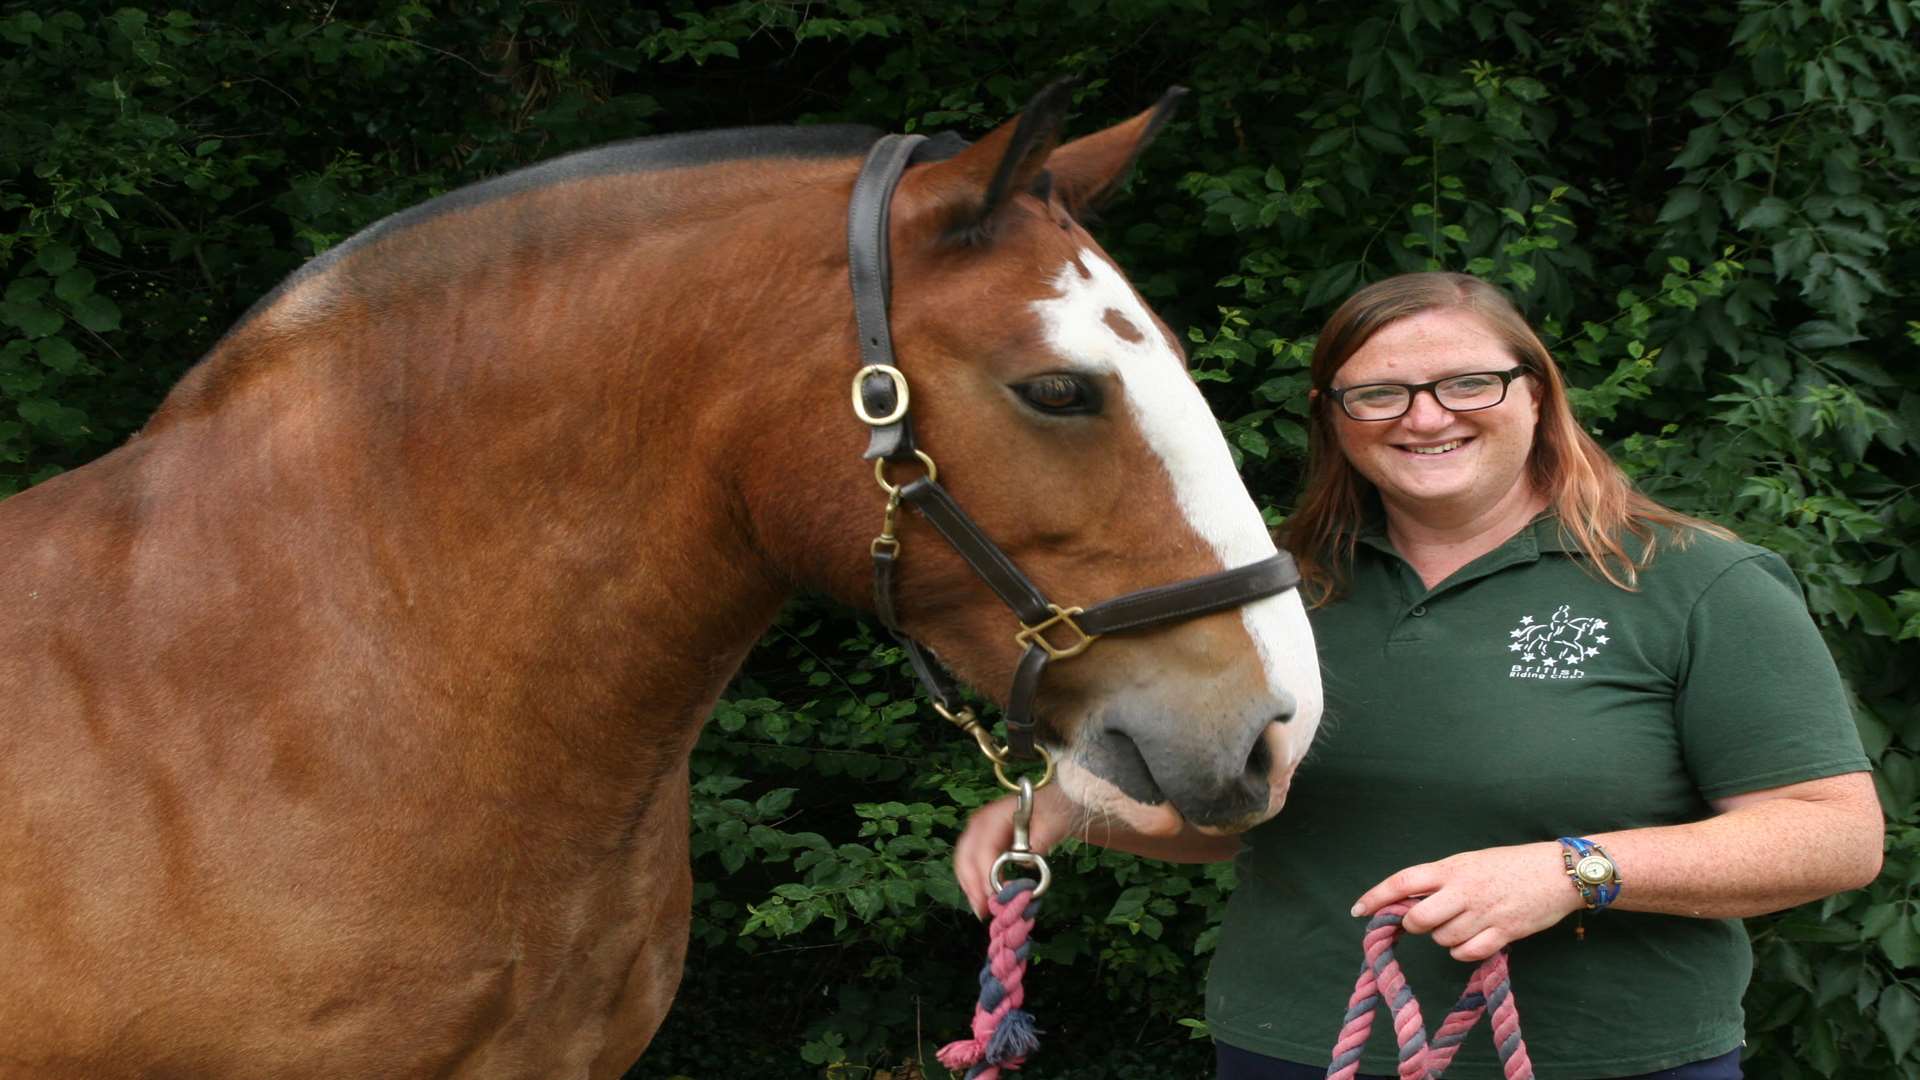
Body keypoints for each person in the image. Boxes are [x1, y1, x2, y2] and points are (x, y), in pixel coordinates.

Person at [952, 272, 1884, 1079]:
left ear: (1536, 392)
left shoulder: (1692, 581)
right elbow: (1230, 815)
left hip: (1606, 1059)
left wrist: (1575, 872)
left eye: (1467, 383)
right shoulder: (1276, 594)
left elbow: (1833, 837)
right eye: (1379, 394)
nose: (1426, 416)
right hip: (1296, 1049)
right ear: (1333, 416)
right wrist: (1071, 813)